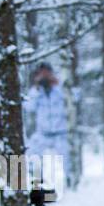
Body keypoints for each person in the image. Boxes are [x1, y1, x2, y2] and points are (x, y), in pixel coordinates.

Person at [23, 62, 68, 190]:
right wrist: (37, 89)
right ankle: (38, 185)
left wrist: (58, 85)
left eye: (47, 73)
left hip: (61, 133)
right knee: (33, 155)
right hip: (43, 133)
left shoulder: (60, 89)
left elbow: (72, 99)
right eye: (41, 73)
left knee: (66, 159)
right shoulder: (36, 91)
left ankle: (70, 184)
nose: (45, 76)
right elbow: (29, 107)